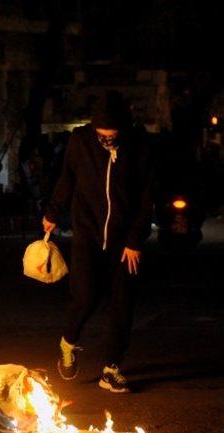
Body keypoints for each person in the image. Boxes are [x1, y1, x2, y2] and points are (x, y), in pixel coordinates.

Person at [43, 91, 154, 393]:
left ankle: (112, 368)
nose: (106, 140)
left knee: (122, 304)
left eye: (112, 135)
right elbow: (67, 178)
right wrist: (52, 212)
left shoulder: (140, 146)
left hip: (125, 242)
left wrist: (135, 239)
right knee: (85, 296)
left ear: (123, 129)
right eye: (101, 135)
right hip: (88, 236)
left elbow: (147, 197)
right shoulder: (80, 141)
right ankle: (68, 342)